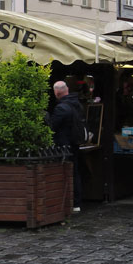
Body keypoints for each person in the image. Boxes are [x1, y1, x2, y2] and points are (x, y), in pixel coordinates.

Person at [50, 81, 83, 213]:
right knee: (75, 172)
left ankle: (71, 202)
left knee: (67, 173)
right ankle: (76, 202)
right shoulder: (77, 105)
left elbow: (52, 127)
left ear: (56, 93)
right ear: (67, 89)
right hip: (75, 143)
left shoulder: (61, 108)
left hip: (64, 145)